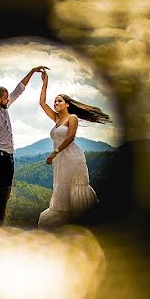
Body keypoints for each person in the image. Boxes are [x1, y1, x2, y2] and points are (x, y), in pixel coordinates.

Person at [36, 69, 111, 228]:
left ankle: (85, 225)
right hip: (61, 161)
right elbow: (42, 103)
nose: (56, 104)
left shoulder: (72, 118)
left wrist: (53, 154)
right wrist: (44, 83)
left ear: (67, 104)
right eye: (55, 102)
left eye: (59, 101)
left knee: (76, 190)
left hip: (72, 158)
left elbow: (70, 138)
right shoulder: (56, 118)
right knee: (63, 189)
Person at [0, 66, 49, 225]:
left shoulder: (4, 108)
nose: (8, 100)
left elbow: (19, 89)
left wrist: (32, 71)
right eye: (5, 98)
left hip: (9, 157)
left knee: (6, 193)